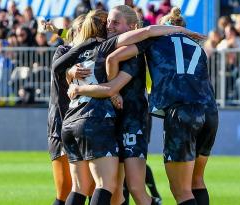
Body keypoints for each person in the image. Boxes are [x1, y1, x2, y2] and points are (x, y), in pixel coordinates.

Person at [53, 9, 205, 205]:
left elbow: (147, 32)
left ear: (132, 27)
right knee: (114, 191)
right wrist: (71, 71)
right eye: (108, 22)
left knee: (135, 188)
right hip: (107, 121)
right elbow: (77, 45)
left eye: (115, 22)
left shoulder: (135, 48)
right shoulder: (103, 47)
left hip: (132, 121)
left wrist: (108, 90)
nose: (109, 26)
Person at [47, 14, 90, 205]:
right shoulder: (63, 50)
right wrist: (70, 72)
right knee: (65, 190)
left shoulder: (95, 52)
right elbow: (59, 70)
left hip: (88, 124)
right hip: (61, 122)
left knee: (91, 187)